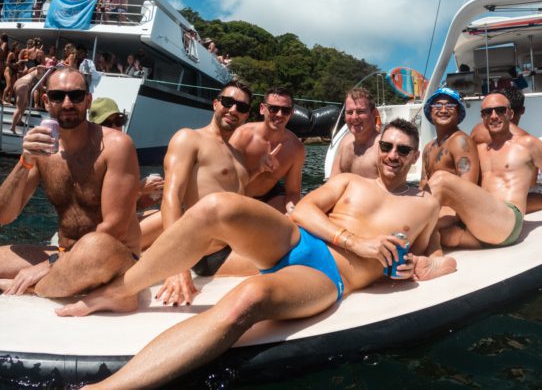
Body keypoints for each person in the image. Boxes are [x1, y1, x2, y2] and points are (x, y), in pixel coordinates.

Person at [55, 119, 457, 389]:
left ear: (414, 156)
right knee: (218, 207)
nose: (391, 155)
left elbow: (440, 257)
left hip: (328, 275)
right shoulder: (350, 180)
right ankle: (124, 290)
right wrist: (358, 242)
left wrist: (422, 266)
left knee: (249, 298)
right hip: (295, 239)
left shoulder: (424, 206)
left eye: (402, 150)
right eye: (386, 145)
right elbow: (302, 209)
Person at [0, 67, 141, 298]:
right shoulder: (43, 152)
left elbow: (115, 228)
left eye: (76, 96)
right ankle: (44, 283)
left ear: (88, 100)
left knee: (96, 246)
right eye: (57, 96)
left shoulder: (117, 145)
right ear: (46, 101)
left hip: (112, 255)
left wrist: (50, 264)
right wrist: (25, 161)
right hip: (63, 252)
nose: (67, 103)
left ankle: (31, 287)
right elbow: (4, 216)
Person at [140, 80, 254, 305]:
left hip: (232, 246)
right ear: (215, 103)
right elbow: (171, 198)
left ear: (246, 116)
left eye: (241, 107)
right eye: (228, 102)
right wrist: (176, 263)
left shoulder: (239, 156)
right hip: (200, 253)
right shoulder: (189, 138)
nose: (233, 110)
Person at [429, 92, 542, 250]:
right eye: (487, 112)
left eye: (500, 110)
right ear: (482, 118)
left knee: (441, 179)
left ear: (510, 113)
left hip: (508, 219)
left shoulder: (528, 144)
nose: (493, 116)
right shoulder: (479, 149)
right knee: (442, 235)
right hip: (483, 223)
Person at [470, 87, 542, 213]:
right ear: (521, 111)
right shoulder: (527, 140)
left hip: (475, 193)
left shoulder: (477, 131)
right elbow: (531, 184)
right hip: (503, 206)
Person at [231, 87, 304, 214]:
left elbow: (293, 192)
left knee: (296, 217)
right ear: (262, 109)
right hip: (239, 197)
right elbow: (229, 181)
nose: (279, 114)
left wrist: (292, 211)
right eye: (273, 109)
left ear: (291, 114)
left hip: (271, 198)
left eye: (285, 110)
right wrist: (258, 168)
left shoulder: (296, 148)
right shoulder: (243, 135)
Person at [420, 87, 479, 185]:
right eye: (438, 105)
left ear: (458, 112)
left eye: (450, 106)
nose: (443, 110)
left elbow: (468, 189)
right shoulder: (428, 148)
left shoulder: (460, 142)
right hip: (431, 199)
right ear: (430, 112)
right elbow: (422, 185)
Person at [330, 87, 381, 178]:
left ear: (373, 114)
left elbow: (392, 190)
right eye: (349, 112)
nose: (354, 117)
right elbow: (332, 182)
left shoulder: (382, 148)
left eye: (360, 111)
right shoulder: (345, 142)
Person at [9, 64, 48, 133]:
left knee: (26, 103)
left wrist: (48, 89)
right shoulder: (39, 72)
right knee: (19, 108)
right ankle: (12, 127)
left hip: (20, 84)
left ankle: (19, 120)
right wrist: (47, 67)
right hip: (23, 86)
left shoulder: (35, 75)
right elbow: (38, 67)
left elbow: (41, 87)